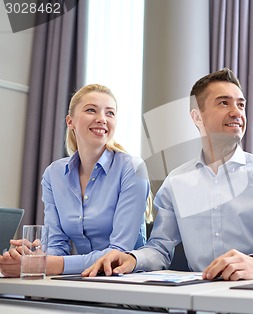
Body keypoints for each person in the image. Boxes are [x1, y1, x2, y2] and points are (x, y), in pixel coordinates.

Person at [82, 68, 253, 281]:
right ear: (197, 116)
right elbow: (160, 248)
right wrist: (132, 258)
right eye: (224, 103)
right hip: (197, 298)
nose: (237, 112)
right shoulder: (176, 182)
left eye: (241, 105)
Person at [0, 84, 151, 277]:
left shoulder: (132, 169)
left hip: (125, 284)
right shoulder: (53, 174)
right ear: (70, 121)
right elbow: (56, 246)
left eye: (110, 113)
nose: (102, 119)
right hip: (80, 280)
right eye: (91, 110)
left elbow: (117, 253)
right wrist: (34, 257)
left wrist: (49, 265)